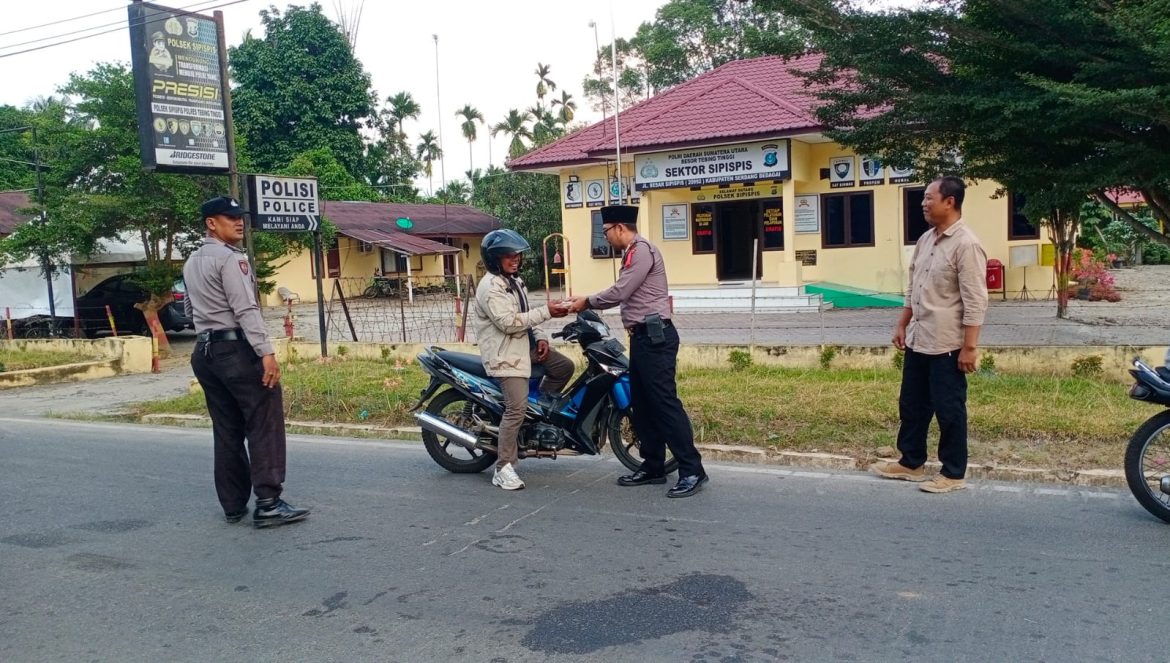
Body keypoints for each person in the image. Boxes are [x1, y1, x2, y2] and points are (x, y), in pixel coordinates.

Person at [184, 195, 309, 527]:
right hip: (235, 350)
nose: (239, 222)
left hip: (205, 353)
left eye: (240, 217)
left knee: (226, 428)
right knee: (263, 419)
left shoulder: (192, 261)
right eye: (230, 217)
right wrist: (265, 352)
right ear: (212, 223)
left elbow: (189, 310)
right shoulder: (230, 260)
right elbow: (246, 309)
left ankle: (233, 504)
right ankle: (268, 502)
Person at [566, 205, 708, 498]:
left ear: (619, 227)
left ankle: (693, 470)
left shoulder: (641, 250)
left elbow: (620, 292)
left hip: (656, 339)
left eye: (606, 231)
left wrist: (586, 302)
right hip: (642, 339)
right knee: (642, 404)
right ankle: (653, 465)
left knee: (665, 404)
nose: (605, 237)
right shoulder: (632, 252)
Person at [871, 176, 988, 493]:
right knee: (912, 404)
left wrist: (970, 347)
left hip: (947, 343)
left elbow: (976, 300)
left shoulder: (967, 244)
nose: (923, 203)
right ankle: (911, 462)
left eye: (928, 198)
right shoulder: (925, 240)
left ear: (949, 201)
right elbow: (914, 289)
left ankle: (953, 473)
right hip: (919, 338)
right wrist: (902, 323)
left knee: (949, 409)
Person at [473, 229, 573, 491]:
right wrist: (547, 312)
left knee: (564, 367)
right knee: (515, 409)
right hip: (505, 357)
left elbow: (528, 315)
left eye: (517, 254)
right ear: (495, 259)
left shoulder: (515, 281)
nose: (515, 259)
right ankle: (503, 467)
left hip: (525, 348)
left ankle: (535, 413)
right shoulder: (490, 288)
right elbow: (508, 323)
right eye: (508, 255)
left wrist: (541, 337)